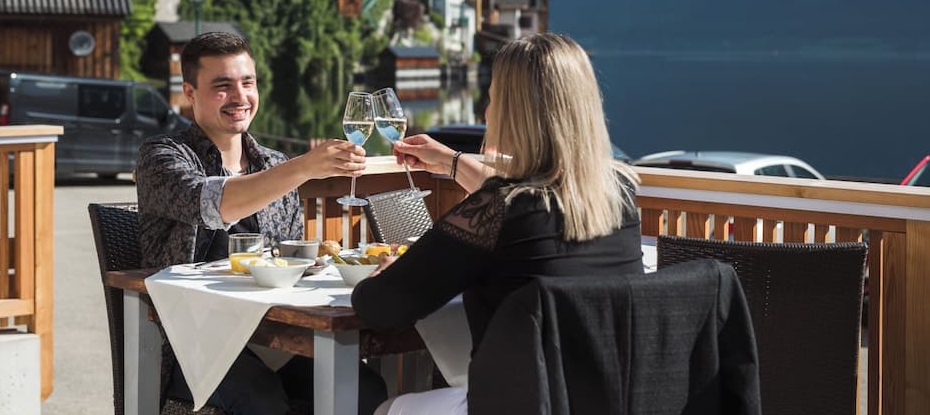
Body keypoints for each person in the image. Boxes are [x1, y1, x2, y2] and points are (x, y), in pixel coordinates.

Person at [352, 33, 642, 415]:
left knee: (388, 408)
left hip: (517, 405)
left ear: (516, 114)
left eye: (492, 99)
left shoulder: (498, 210)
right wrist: (452, 162)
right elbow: (533, 196)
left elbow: (380, 308)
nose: (486, 113)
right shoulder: (620, 195)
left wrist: (384, 274)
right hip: (604, 404)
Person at [136, 31, 386, 415]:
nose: (240, 97)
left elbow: (292, 261)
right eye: (222, 86)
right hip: (190, 341)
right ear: (189, 92)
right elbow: (212, 203)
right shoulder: (161, 157)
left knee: (365, 389)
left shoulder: (273, 164)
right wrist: (303, 167)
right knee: (261, 399)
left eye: (248, 83)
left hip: (273, 335)